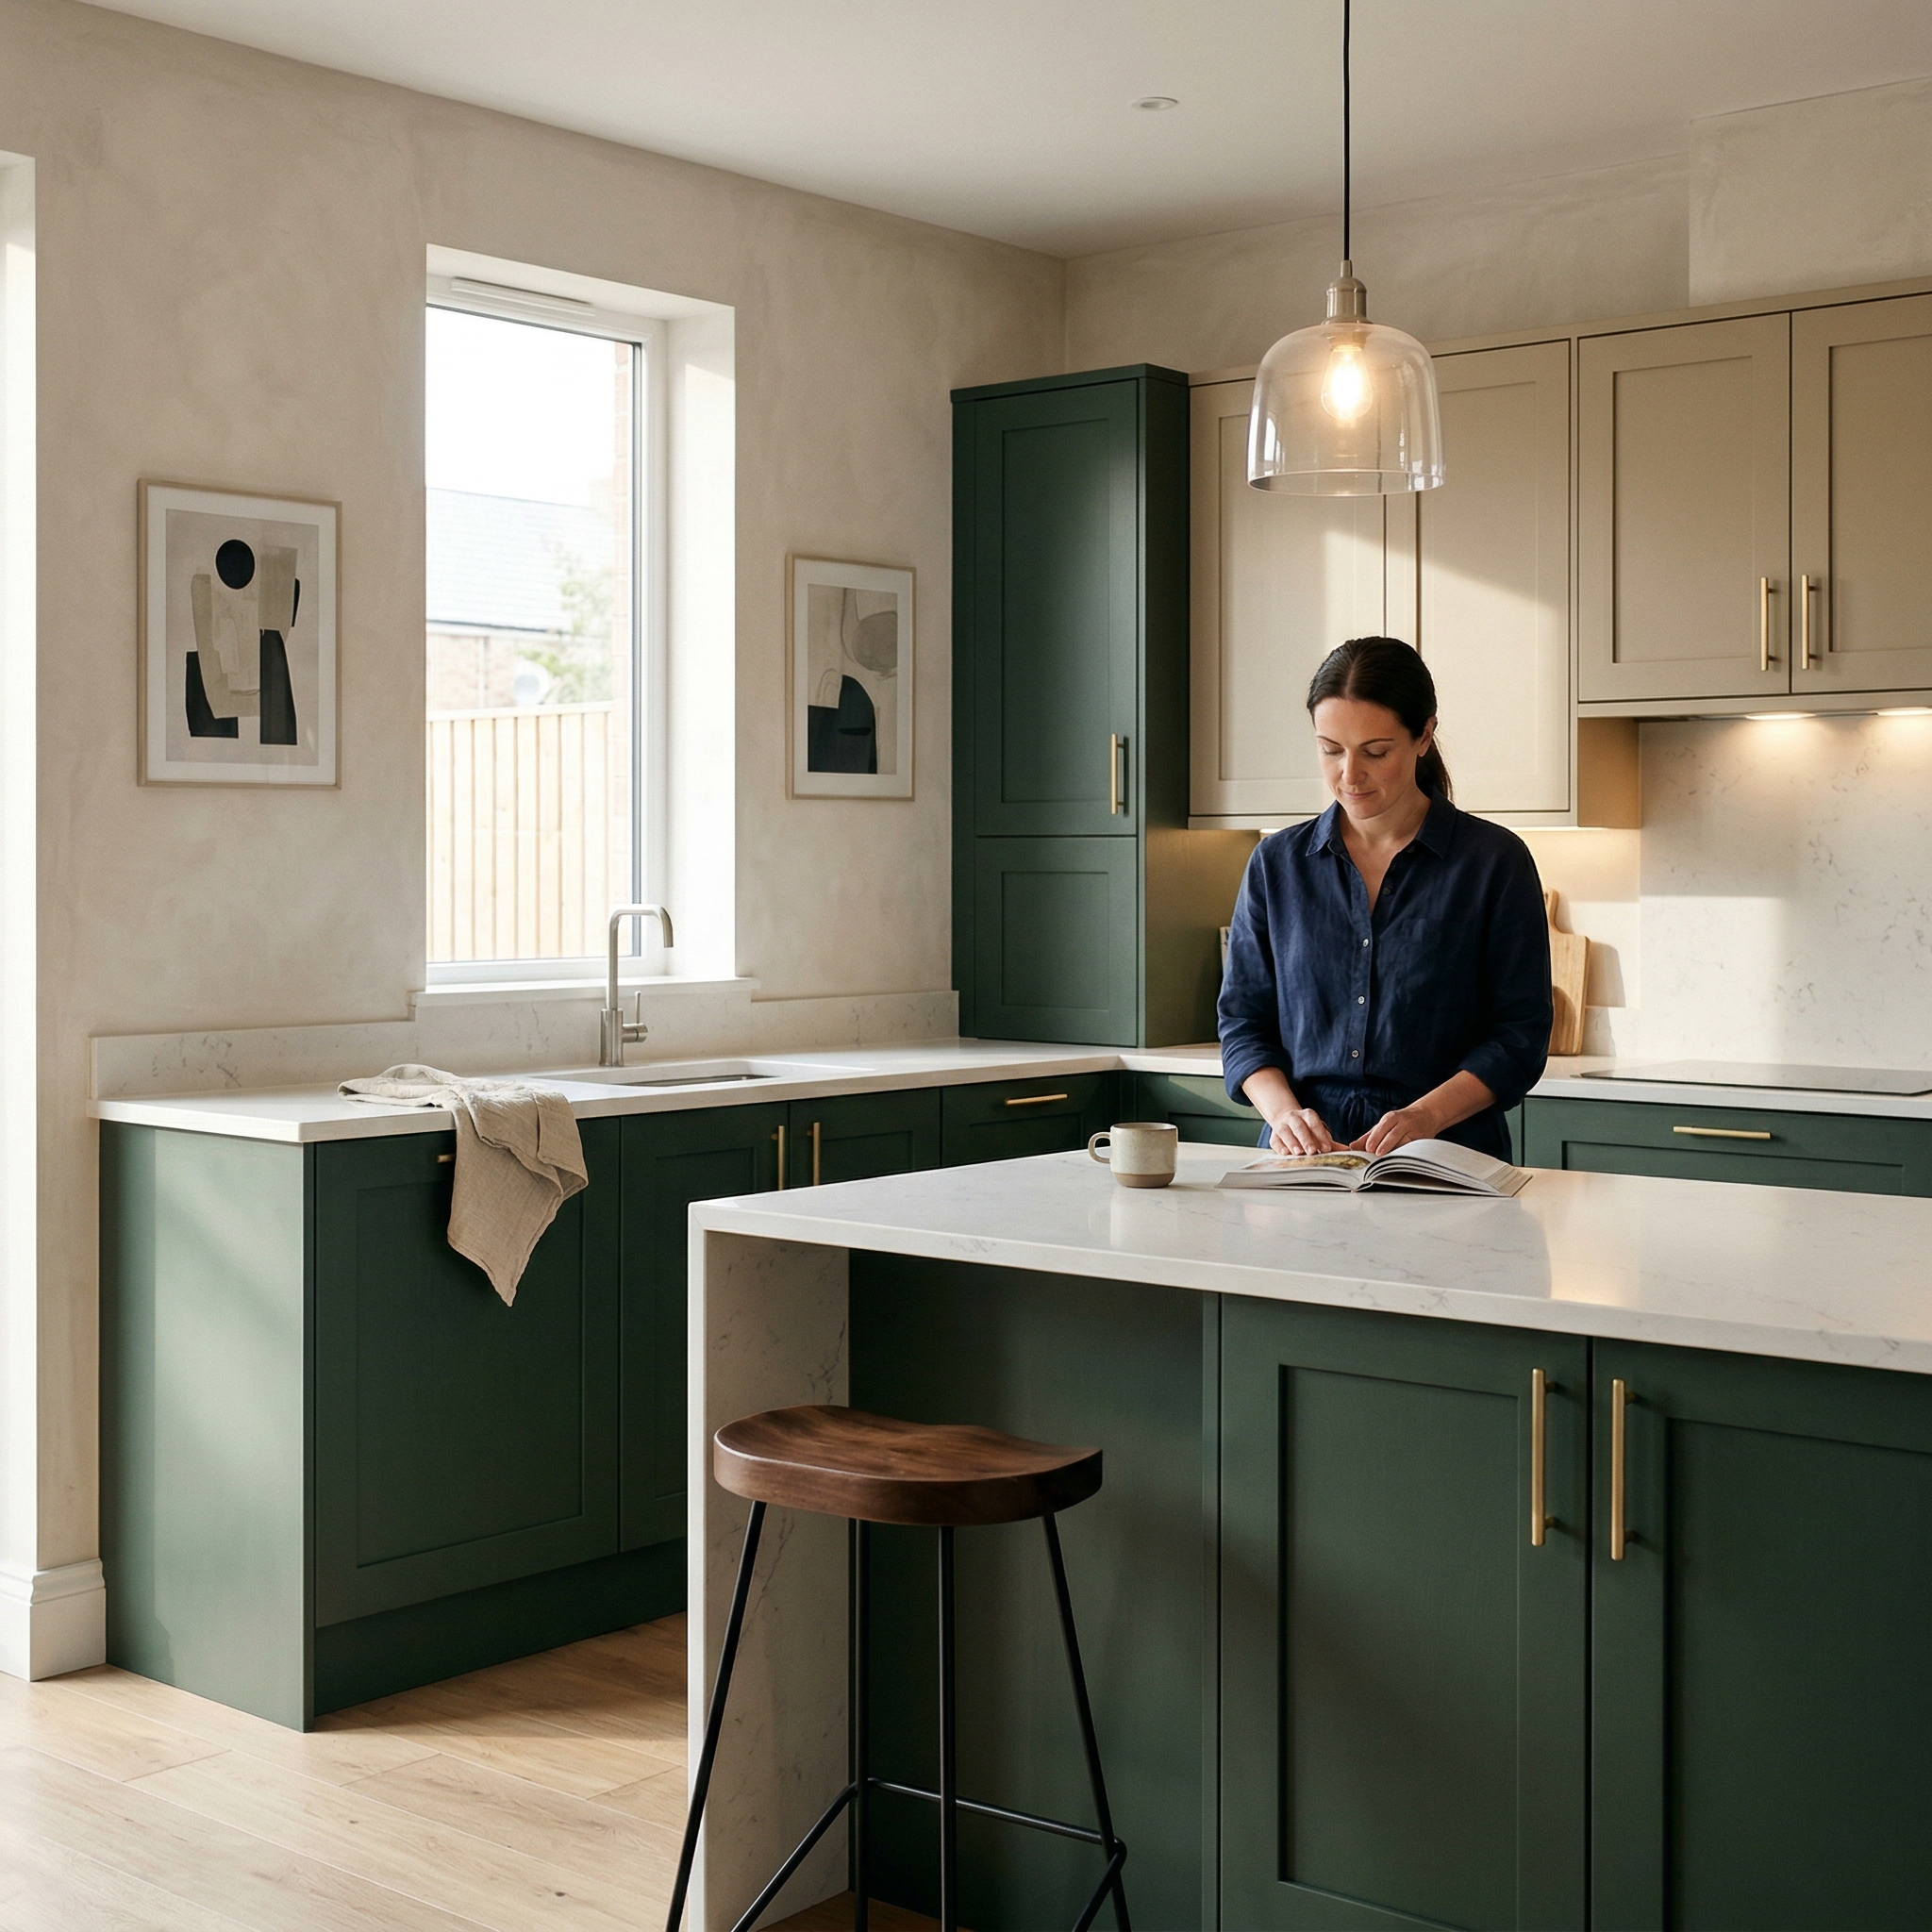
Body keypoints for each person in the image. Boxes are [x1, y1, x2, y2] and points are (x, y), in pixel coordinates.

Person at [1218, 637, 1552, 1162]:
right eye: (1330, 750)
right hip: (1306, 1165)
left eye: (1375, 752)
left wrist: (1427, 1116)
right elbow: (1243, 1022)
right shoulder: (1275, 865)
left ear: (1424, 735)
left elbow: (1520, 1036)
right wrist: (1284, 1115)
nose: (1349, 775)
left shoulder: (1494, 862)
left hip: (1448, 1158)